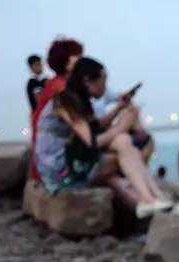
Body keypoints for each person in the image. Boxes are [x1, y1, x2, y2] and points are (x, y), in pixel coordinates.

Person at [34, 57, 171, 218]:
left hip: (74, 157)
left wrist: (119, 108)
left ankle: (151, 198)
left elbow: (95, 126)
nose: (105, 88)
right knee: (120, 147)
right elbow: (91, 142)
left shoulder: (80, 99)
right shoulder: (65, 100)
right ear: (87, 81)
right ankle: (150, 198)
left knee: (122, 141)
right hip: (60, 170)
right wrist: (122, 126)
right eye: (103, 81)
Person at [30, 38, 84, 182]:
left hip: (50, 153)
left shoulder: (56, 83)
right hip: (52, 160)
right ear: (67, 61)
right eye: (79, 56)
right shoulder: (59, 88)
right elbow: (80, 125)